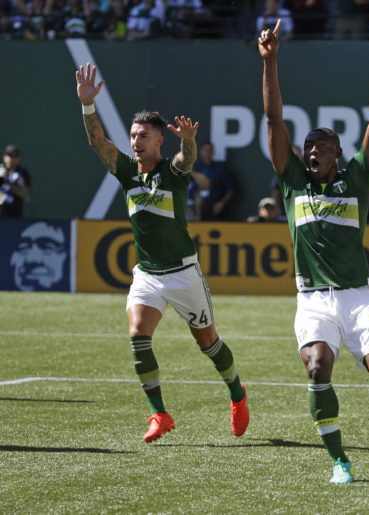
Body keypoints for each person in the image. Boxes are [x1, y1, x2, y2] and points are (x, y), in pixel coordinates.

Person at [258, 18, 369, 483]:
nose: (312, 153)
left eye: (321, 148)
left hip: (357, 296)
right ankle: (340, 461)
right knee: (317, 367)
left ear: (339, 152)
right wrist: (270, 62)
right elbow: (273, 119)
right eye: (308, 148)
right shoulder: (292, 183)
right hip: (313, 298)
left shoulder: (359, 176)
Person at [75, 62, 249, 443]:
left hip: (184, 273)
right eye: (134, 135)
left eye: (145, 136)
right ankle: (159, 414)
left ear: (159, 142)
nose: (136, 141)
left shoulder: (172, 172)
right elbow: (98, 144)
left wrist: (188, 139)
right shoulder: (126, 171)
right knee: (138, 335)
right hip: (148, 275)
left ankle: (237, 396)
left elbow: (187, 160)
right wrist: (88, 105)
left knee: (209, 344)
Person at [194, 141, 235, 221]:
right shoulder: (195, 168)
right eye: (205, 150)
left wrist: (221, 203)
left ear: (213, 152)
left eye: (209, 150)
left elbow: (231, 190)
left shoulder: (220, 168)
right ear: (200, 151)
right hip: (197, 208)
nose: (207, 153)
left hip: (214, 207)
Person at [0, 144, 31, 218]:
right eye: (10, 156)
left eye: (15, 156)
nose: (13, 159)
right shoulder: (1, 170)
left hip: (15, 216)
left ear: (19, 158)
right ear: (5, 157)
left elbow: (25, 196)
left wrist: (8, 182)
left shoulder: (22, 173)